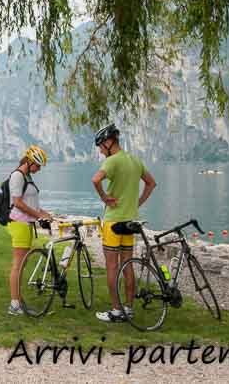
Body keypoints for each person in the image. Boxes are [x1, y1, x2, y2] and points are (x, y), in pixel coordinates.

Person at [91, 124, 157, 323]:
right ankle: (128, 309)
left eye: (101, 146)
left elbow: (95, 180)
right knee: (128, 266)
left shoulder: (112, 161)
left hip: (113, 223)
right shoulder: (135, 160)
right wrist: (137, 203)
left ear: (110, 142)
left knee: (112, 267)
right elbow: (151, 183)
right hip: (130, 222)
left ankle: (116, 311)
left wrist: (104, 197)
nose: (101, 151)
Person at [7, 145, 54, 316]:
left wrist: (46, 214)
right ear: (28, 161)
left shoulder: (27, 176)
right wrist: (38, 215)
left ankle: (18, 301)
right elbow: (18, 203)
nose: (39, 169)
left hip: (26, 225)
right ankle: (14, 305)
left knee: (22, 264)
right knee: (18, 265)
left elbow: (32, 204)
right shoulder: (17, 176)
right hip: (19, 224)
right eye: (37, 165)